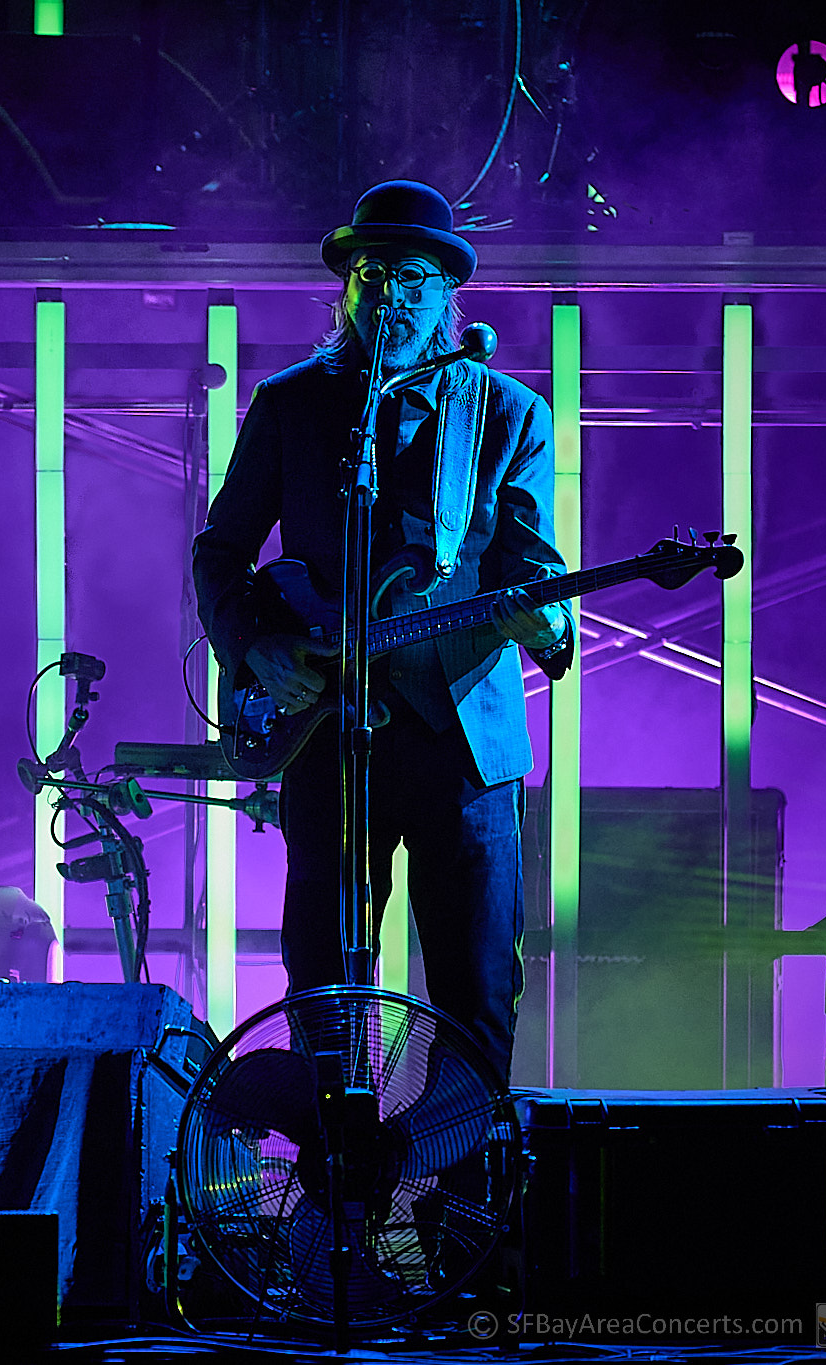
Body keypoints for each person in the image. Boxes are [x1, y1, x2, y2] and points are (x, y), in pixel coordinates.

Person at [191, 181, 573, 1084]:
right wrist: (255, 646)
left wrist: (544, 620)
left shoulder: (509, 413)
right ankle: (332, 1205)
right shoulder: (291, 405)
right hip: (329, 736)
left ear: (448, 293)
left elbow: (533, 568)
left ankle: (457, 1208)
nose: (388, 295)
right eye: (370, 275)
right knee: (324, 988)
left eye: (411, 276)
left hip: (464, 749)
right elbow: (220, 550)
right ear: (345, 291)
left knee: (475, 994)